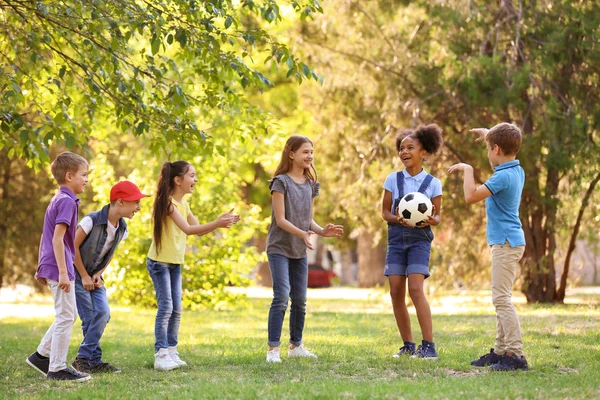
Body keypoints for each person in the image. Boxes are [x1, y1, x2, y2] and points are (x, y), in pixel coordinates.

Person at [448, 123, 528, 371]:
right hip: (509, 240)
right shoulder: (516, 170)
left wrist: (468, 169)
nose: (487, 154)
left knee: (501, 299)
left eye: (489, 148)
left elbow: (471, 196)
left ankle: (516, 355)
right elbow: (502, 154)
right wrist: (489, 137)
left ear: (496, 149)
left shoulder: (502, 176)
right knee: (500, 297)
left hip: (505, 241)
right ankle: (501, 351)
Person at [147, 161, 240, 370]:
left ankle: (171, 350)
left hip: (174, 263)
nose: (195, 180)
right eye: (191, 175)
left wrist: (220, 220)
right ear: (178, 180)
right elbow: (188, 229)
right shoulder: (168, 203)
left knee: (177, 309)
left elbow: (197, 229)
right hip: (160, 262)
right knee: (166, 307)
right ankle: (160, 353)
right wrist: (217, 223)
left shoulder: (184, 204)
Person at [265, 135, 344, 363]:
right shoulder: (280, 182)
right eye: (305, 152)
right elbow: (280, 220)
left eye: (311, 152)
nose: (310, 156)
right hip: (279, 247)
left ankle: (296, 345)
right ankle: (273, 350)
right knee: (281, 297)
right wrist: (302, 233)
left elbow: (308, 219)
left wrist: (321, 231)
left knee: (300, 299)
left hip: (299, 249)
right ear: (292, 154)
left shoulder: (310, 185)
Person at [26, 151, 91, 382]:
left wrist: (42, 266)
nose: (86, 179)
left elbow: (48, 235)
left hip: (53, 264)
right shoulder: (66, 202)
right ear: (69, 175)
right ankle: (57, 368)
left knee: (69, 313)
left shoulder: (60, 199)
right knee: (65, 316)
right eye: (84, 175)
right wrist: (63, 272)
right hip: (60, 266)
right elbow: (56, 239)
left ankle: (41, 355)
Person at [72, 181, 149, 374]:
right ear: (121, 202)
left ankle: (85, 359)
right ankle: (91, 360)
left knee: (103, 314)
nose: (139, 207)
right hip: (76, 273)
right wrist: (84, 275)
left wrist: (98, 274)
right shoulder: (91, 220)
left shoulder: (122, 228)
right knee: (89, 318)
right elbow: (71, 247)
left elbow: (110, 253)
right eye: (136, 202)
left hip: (95, 276)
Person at [381, 124, 443, 359]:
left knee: (416, 289)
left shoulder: (434, 183)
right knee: (396, 291)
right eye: (401, 148)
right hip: (396, 241)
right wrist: (397, 218)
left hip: (419, 241)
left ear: (424, 152)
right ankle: (408, 345)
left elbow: (437, 217)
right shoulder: (392, 179)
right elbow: (385, 213)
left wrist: (430, 220)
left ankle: (429, 346)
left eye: (410, 148)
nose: (404, 152)